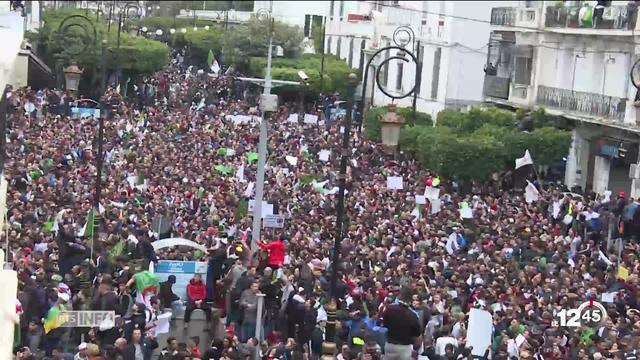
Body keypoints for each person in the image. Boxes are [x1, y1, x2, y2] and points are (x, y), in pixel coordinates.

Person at [382, 287, 422, 360]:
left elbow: (385, 324)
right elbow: (417, 334)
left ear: (400, 296)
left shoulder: (390, 308)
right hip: (404, 347)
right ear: (411, 299)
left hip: (390, 344)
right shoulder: (413, 315)